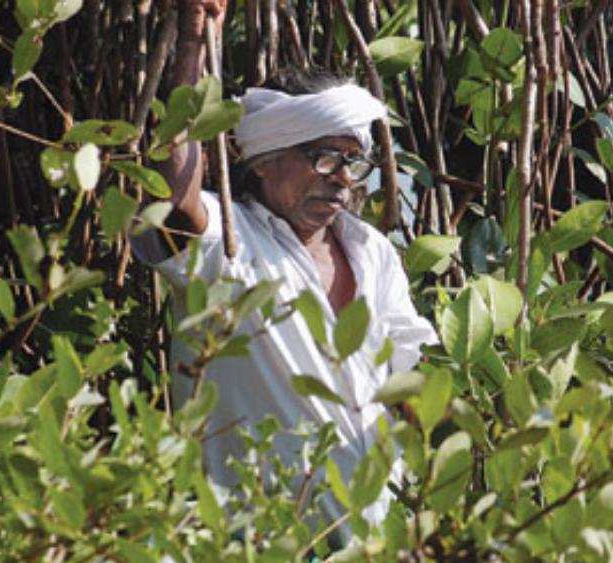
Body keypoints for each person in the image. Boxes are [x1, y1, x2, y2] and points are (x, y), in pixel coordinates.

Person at [131, 0, 437, 530]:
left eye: (353, 160)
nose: (343, 177)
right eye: (325, 157)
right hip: (258, 539)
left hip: (378, 537)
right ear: (265, 160)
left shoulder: (373, 252)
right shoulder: (227, 244)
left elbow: (407, 386)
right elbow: (175, 201)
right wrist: (192, 46)